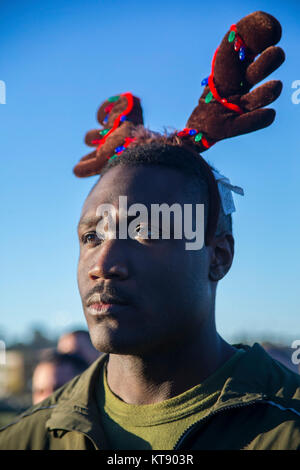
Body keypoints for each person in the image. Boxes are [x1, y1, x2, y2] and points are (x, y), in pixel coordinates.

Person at [2, 11, 300, 450]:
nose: (104, 264)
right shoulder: (24, 439)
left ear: (218, 256)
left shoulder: (286, 427)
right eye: (91, 238)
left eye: (145, 231)